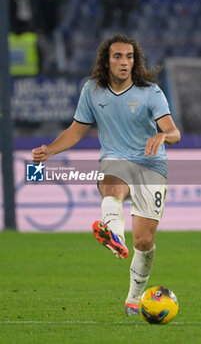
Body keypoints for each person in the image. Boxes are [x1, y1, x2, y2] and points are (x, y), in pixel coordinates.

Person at [32, 33, 181, 316]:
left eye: (129, 57)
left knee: (145, 242)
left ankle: (134, 298)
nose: (124, 62)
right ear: (106, 61)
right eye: (117, 56)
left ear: (135, 61)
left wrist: (163, 136)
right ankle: (114, 234)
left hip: (151, 165)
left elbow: (175, 131)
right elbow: (77, 130)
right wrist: (49, 151)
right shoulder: (92, 91)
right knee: (111, 185)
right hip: (115, 159)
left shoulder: (150, 91)